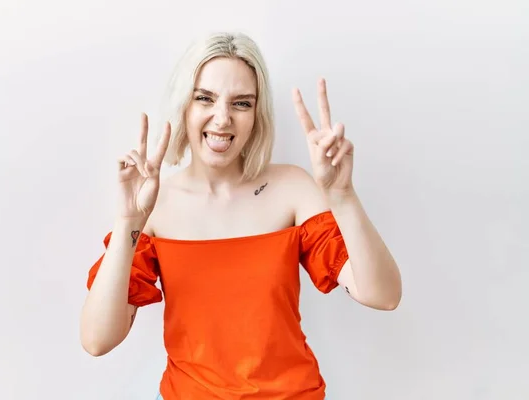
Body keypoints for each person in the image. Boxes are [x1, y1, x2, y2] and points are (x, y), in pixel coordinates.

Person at [80, 32, 402, 399]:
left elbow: (384, 295)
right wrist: (127, 224)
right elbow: (96, 340)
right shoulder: (154, 206)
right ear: (184, 104)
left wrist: (342, 195)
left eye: (241, 103)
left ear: (256, 114)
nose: (223, 119)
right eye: (205, 98)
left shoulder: (293, 189)